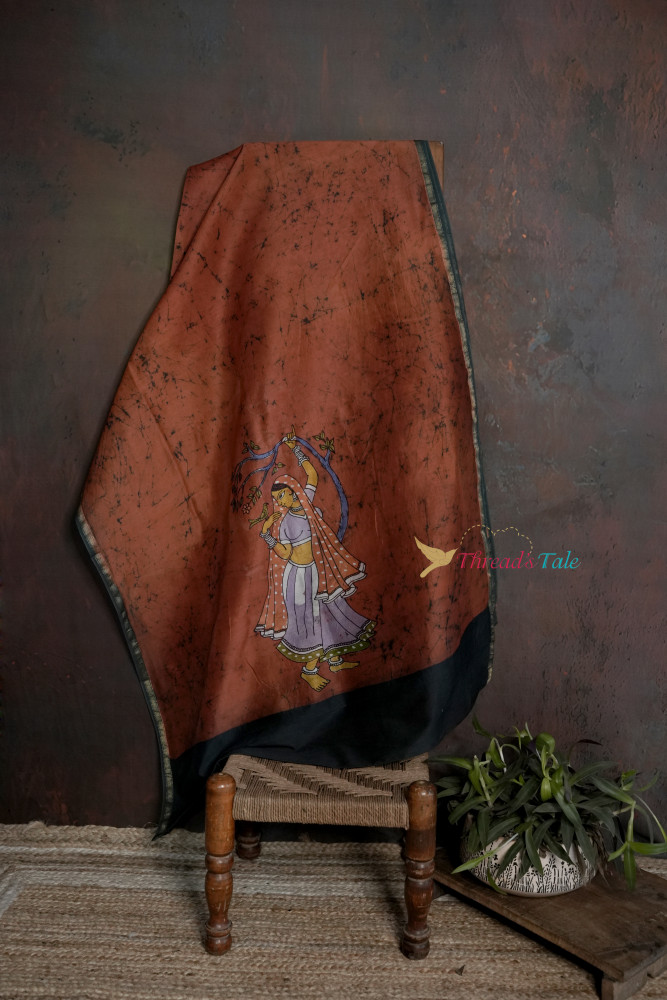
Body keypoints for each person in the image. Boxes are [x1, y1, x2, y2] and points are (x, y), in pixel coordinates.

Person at [255, 429, 374, 691]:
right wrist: (267, 535)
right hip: (299, 577)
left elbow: (312, 475)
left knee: (330, 611)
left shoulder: (306, 504)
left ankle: (335, 661)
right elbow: (285, 554)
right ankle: (310, 671)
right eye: (275, 499)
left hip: (317, 571)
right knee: (309, 619)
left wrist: (296, 450)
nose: (279, 501)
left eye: (282, 495)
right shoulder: (285, 522)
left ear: (292, 491)